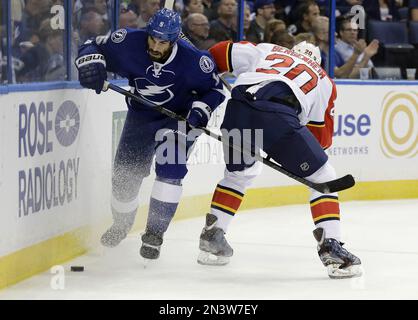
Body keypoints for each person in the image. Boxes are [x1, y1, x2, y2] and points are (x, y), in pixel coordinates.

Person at [198, 40, 362, 279]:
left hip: (237, 110)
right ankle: (332, 248)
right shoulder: (323, 79)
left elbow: (217, 54)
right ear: (318, 62)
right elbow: (320, 140)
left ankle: (213, 235)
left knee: (239, 174)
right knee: (323, 176)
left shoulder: (267, 49)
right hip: (277, 114)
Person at [75, 8, 225, 260]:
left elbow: (216, 90)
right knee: (125, 175)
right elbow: (91, 45)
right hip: (140, 117)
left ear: (174, 39)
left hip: (177, 121)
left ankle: (155, 234)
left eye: (163, 41)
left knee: (170, 171)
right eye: (152, 38)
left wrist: (199, 112)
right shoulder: (127, 42)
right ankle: (121, 224)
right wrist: (91, 62)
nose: (155, 45)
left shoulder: (194, 62)